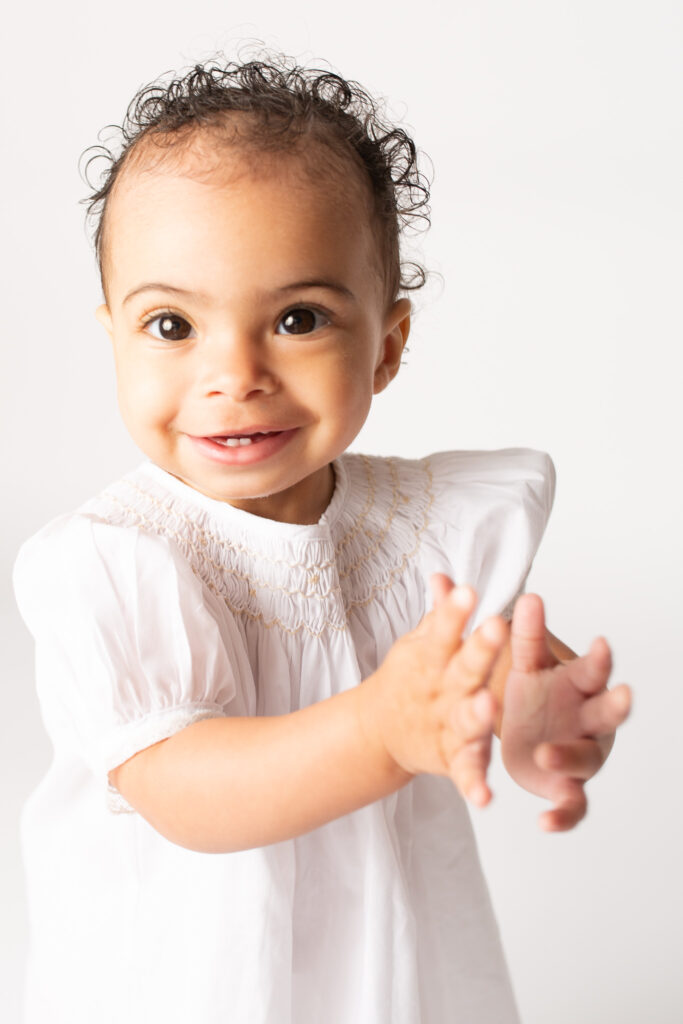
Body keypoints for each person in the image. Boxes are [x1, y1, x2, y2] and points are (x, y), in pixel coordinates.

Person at [13, 54, 631, 1024]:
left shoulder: (425, 528)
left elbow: (475, 688)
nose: (234, 372)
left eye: (296, 318)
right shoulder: (117, 562)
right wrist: (379, 731)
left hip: (381, 968)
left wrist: (529, 719)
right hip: (186, 982)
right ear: (114, 338)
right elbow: (185, 793)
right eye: (171, 324)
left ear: (384, 345)